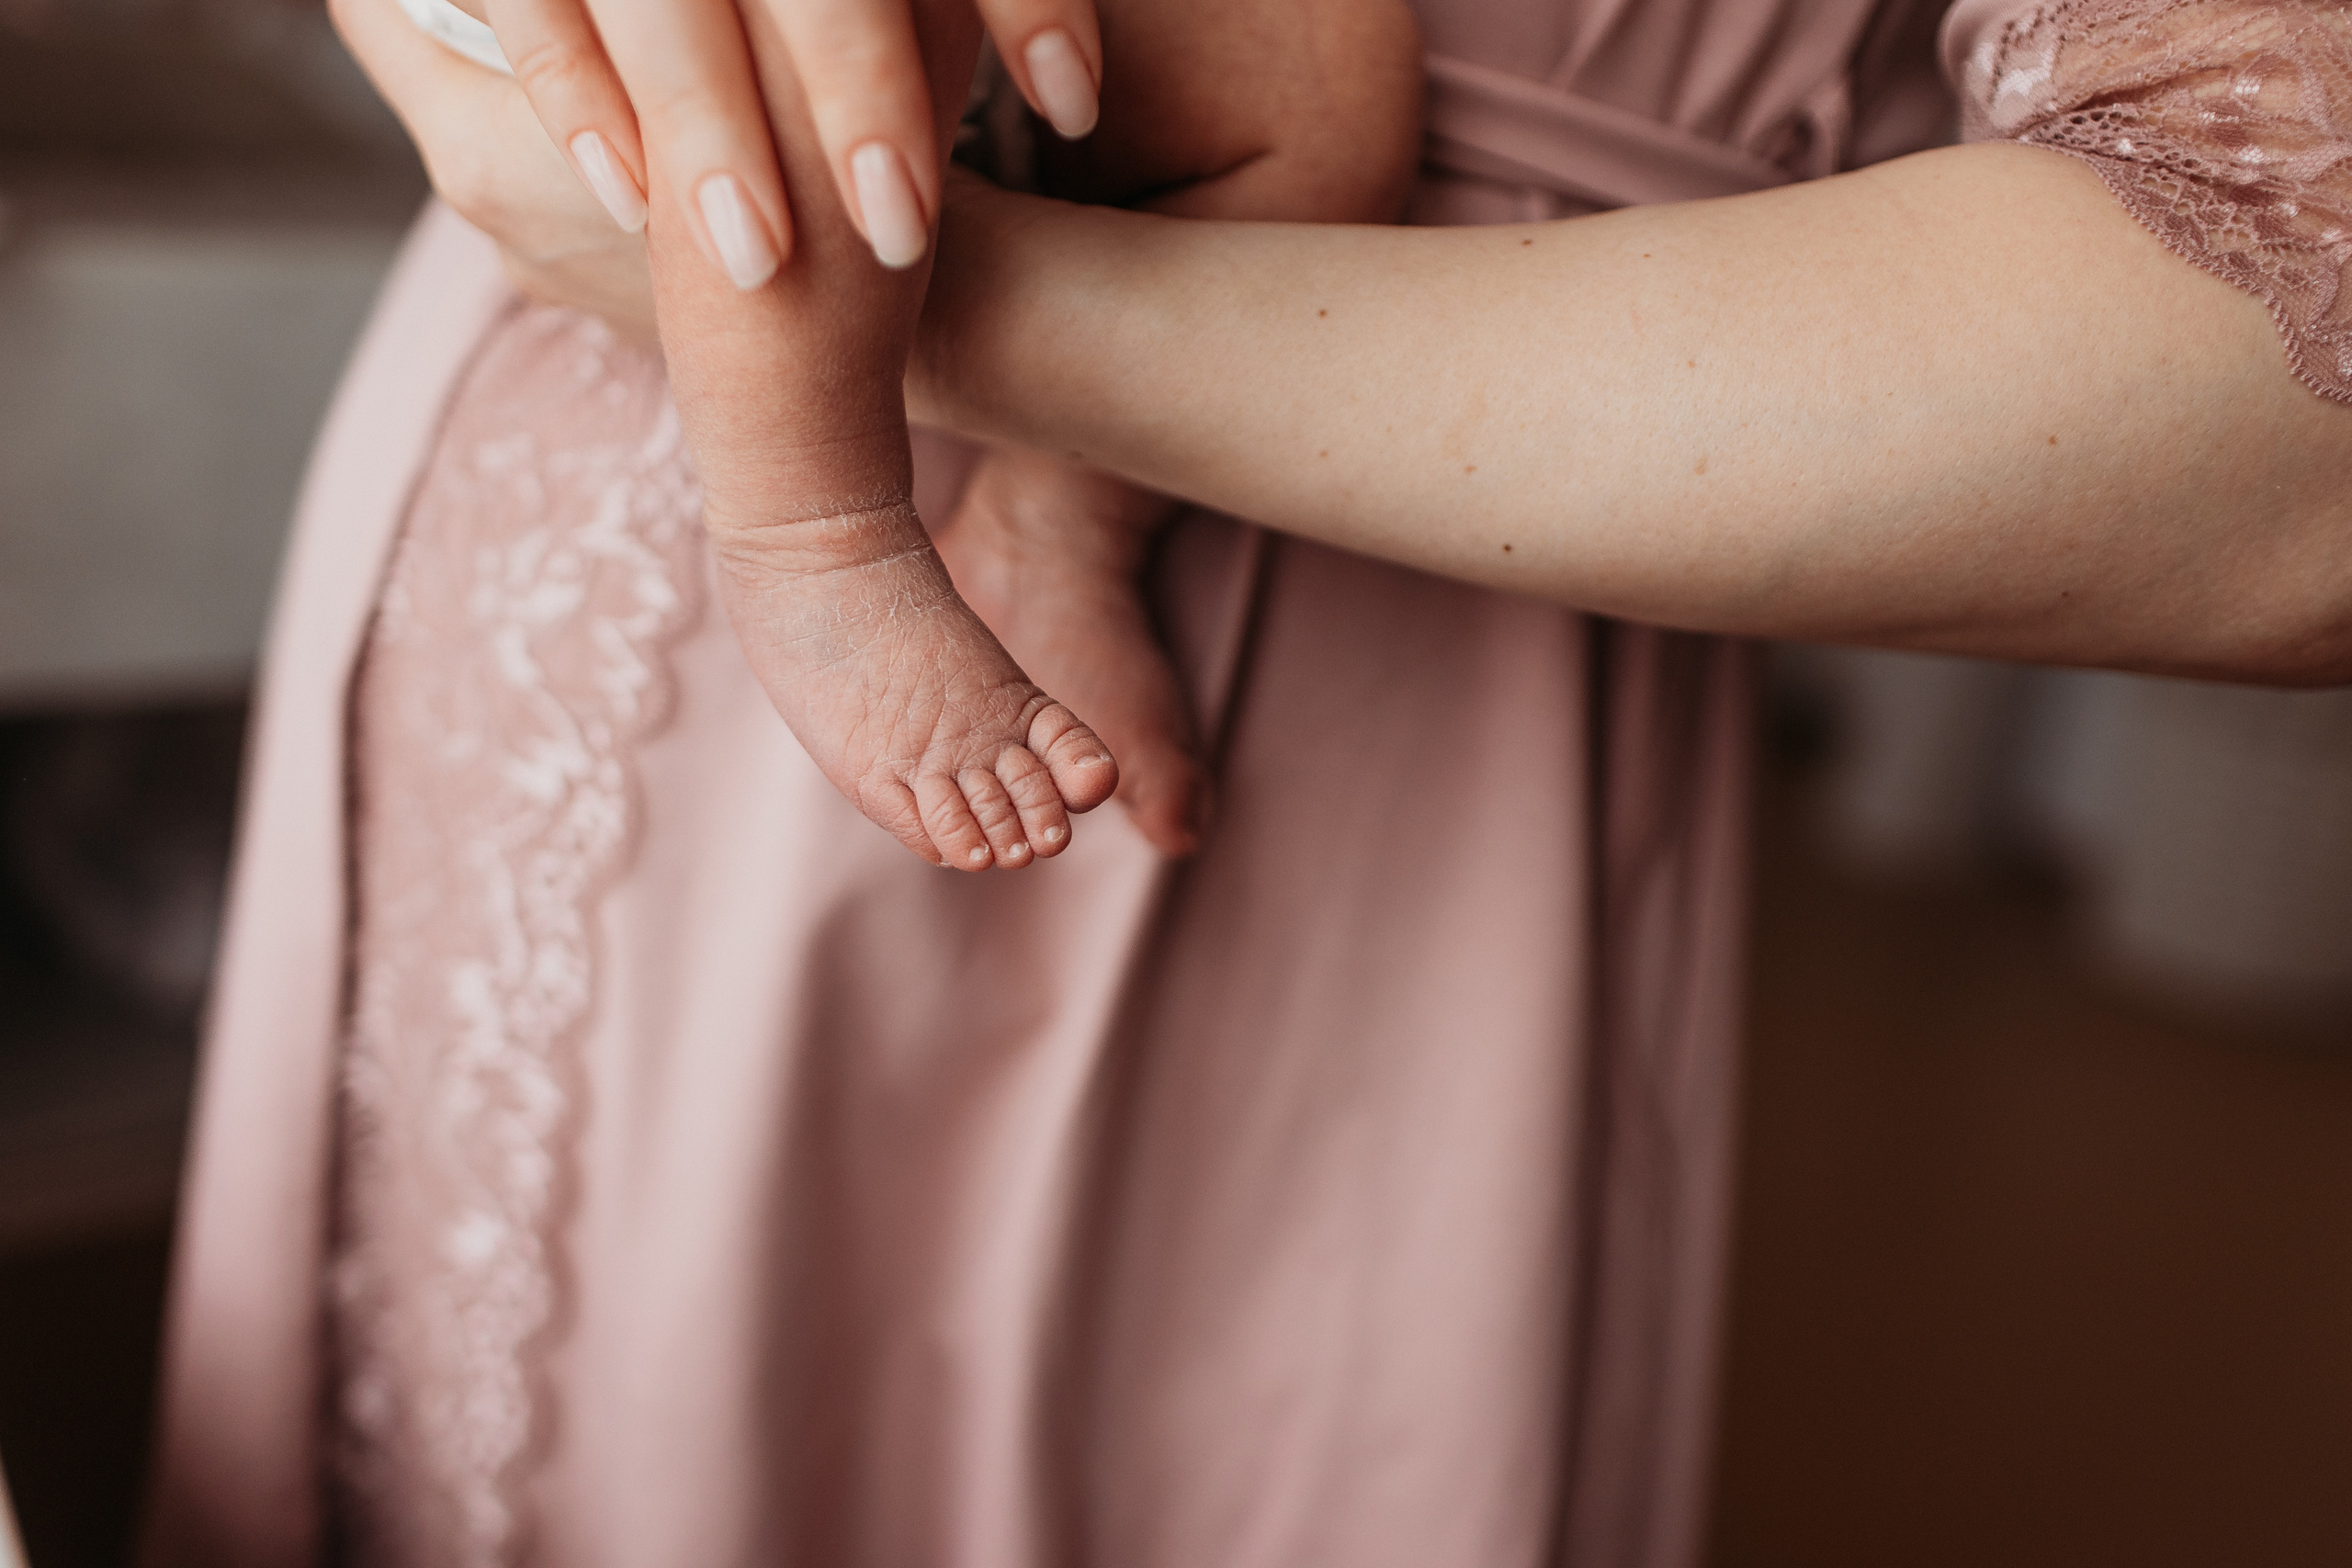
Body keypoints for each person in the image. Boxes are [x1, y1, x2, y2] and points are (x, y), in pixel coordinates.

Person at [140, 1, 2351, 1566]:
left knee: (1252, 104)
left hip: (1425, 547)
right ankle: (815, 534)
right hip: (599, 396)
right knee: (801, 101)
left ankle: (1021, 523)